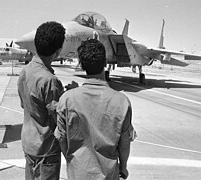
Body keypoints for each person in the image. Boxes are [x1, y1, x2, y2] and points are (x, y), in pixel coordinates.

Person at [55, 39, 137, 180]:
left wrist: (72, 161)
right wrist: (123, 167)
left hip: (78, 173)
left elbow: (61, 138)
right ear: (105, 63)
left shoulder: (67, 99)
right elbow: (125, 142)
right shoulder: (122, 102)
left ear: (81, 64)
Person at [17, 21, 66, 180]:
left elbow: (25, 104)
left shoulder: (25, 72)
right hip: (46, 150)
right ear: (57, 52)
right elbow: (59, 119)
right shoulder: (50, 81)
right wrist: (68, 97)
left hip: (29, 142)